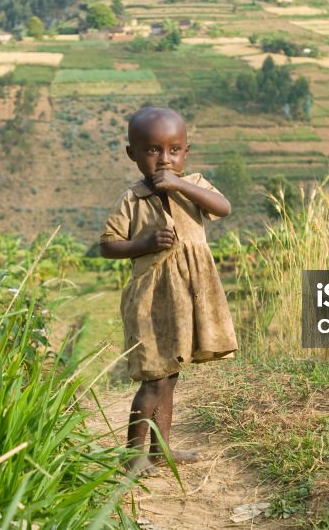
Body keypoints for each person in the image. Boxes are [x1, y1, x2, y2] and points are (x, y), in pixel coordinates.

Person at [99, 106, 238, 476]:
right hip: (150, 301)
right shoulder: (132, 199)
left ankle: (161, 450)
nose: (164, 160)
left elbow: (223, 207)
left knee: (171, 375)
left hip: (186, 298)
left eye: (174, 150)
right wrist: (141, 243)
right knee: (153, 377)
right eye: (152, 151)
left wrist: (180, 184)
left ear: (186, 151)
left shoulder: (193, 187)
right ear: (132, 154)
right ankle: (132, 455)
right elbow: (108, 245)